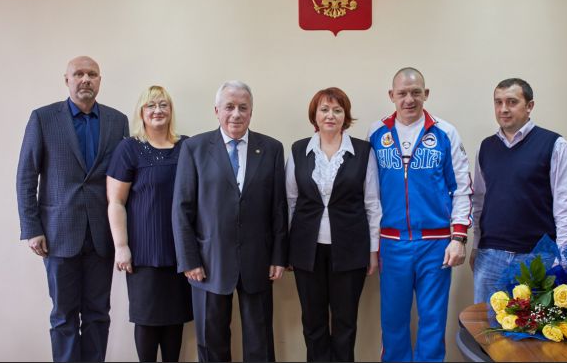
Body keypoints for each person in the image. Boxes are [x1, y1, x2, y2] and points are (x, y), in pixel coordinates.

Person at [16, 56, 129, 362]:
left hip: (102, 235)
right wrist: (32, 228)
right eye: (78, 74)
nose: (85, 79)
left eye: (92, 74)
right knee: (63, 315)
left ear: (100, 80)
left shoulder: (117, 121)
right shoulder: (43, 118)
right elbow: (26, 176)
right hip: (58, 234)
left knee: (98, 313)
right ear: (66, 80)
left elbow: (124, 178)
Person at [171, 80, 288, 362]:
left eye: (243, 108)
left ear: (251, 112)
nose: (236, 114)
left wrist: (278, 256)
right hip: (208, 262)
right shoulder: (194, 148)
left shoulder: (271, 148)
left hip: (258, 260)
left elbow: (278, 207)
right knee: (212, 341)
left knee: (260, 342)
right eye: (229, 107)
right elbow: (182, 208)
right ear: (217, 111)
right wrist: (189, 259)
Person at [368, 67, 473, 362]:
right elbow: (370, 195)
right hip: (392, 243)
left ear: (426, 94)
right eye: (402, 93)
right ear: (391, 95)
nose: (409, 99)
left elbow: (462, 189)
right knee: (393, 322)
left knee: (433, 321)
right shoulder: (376, 134)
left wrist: (458, 238)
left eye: (416, 92)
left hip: (436, 244)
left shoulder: (445, 132)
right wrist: (372, 245)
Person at [286, 87, 381, 362]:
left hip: (350, 250)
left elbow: (372, 204)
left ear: (345, 116)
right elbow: (290, 201)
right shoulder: (298, 149)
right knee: (312, 322)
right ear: (315, 115)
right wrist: (289, 250)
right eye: (324, 110)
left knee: (345, 323)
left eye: (337, 110)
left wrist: (373, 251)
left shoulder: (363, 151)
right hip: (307, 251)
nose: (331, 115)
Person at [470, 78, 567, 304]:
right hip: (490, 257)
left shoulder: (554, 145)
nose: (503, 109)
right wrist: (476, 246)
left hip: (538, 258)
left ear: (529, 106)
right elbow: (479, 202)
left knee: (534, 326)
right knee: (485, 324)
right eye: (498, 102)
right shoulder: (485, 147)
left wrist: (562, 261)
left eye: (512, 102)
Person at [106, 86, 193, 362]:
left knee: (175, 322)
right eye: (151, 105)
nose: (158, 110)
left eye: (163, 105)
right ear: (141, 112)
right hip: (144, 254)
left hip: (181, 253)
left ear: (171, 110)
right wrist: (121, 246)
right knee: (147, 321)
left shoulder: (186, 146)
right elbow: (116, 202)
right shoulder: (129, 148)